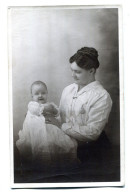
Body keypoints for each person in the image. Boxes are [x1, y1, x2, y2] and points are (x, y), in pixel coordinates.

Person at [47, 47, 113, 170]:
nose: (73, 75)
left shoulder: (101, 96)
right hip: (66, 145)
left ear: (91, 71)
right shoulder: (68, 89)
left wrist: (60, 126)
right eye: (72, 71)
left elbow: (93, 133)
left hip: (91, 151)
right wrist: (51, 113)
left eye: (78, 72)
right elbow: (62, 116)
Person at [16, 81, 78, 169]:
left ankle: (58, 165)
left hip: (51, 130)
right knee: (39, 146)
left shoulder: (51, 104)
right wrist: (45, 108)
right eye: (37, 93)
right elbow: (35, 110)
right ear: (32, 96)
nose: (40, 95)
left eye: (43, 93)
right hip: (36, 131)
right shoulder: (32, 105)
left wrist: (54, 110)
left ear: (47, 93)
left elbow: (57, 114)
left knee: (58, 145)